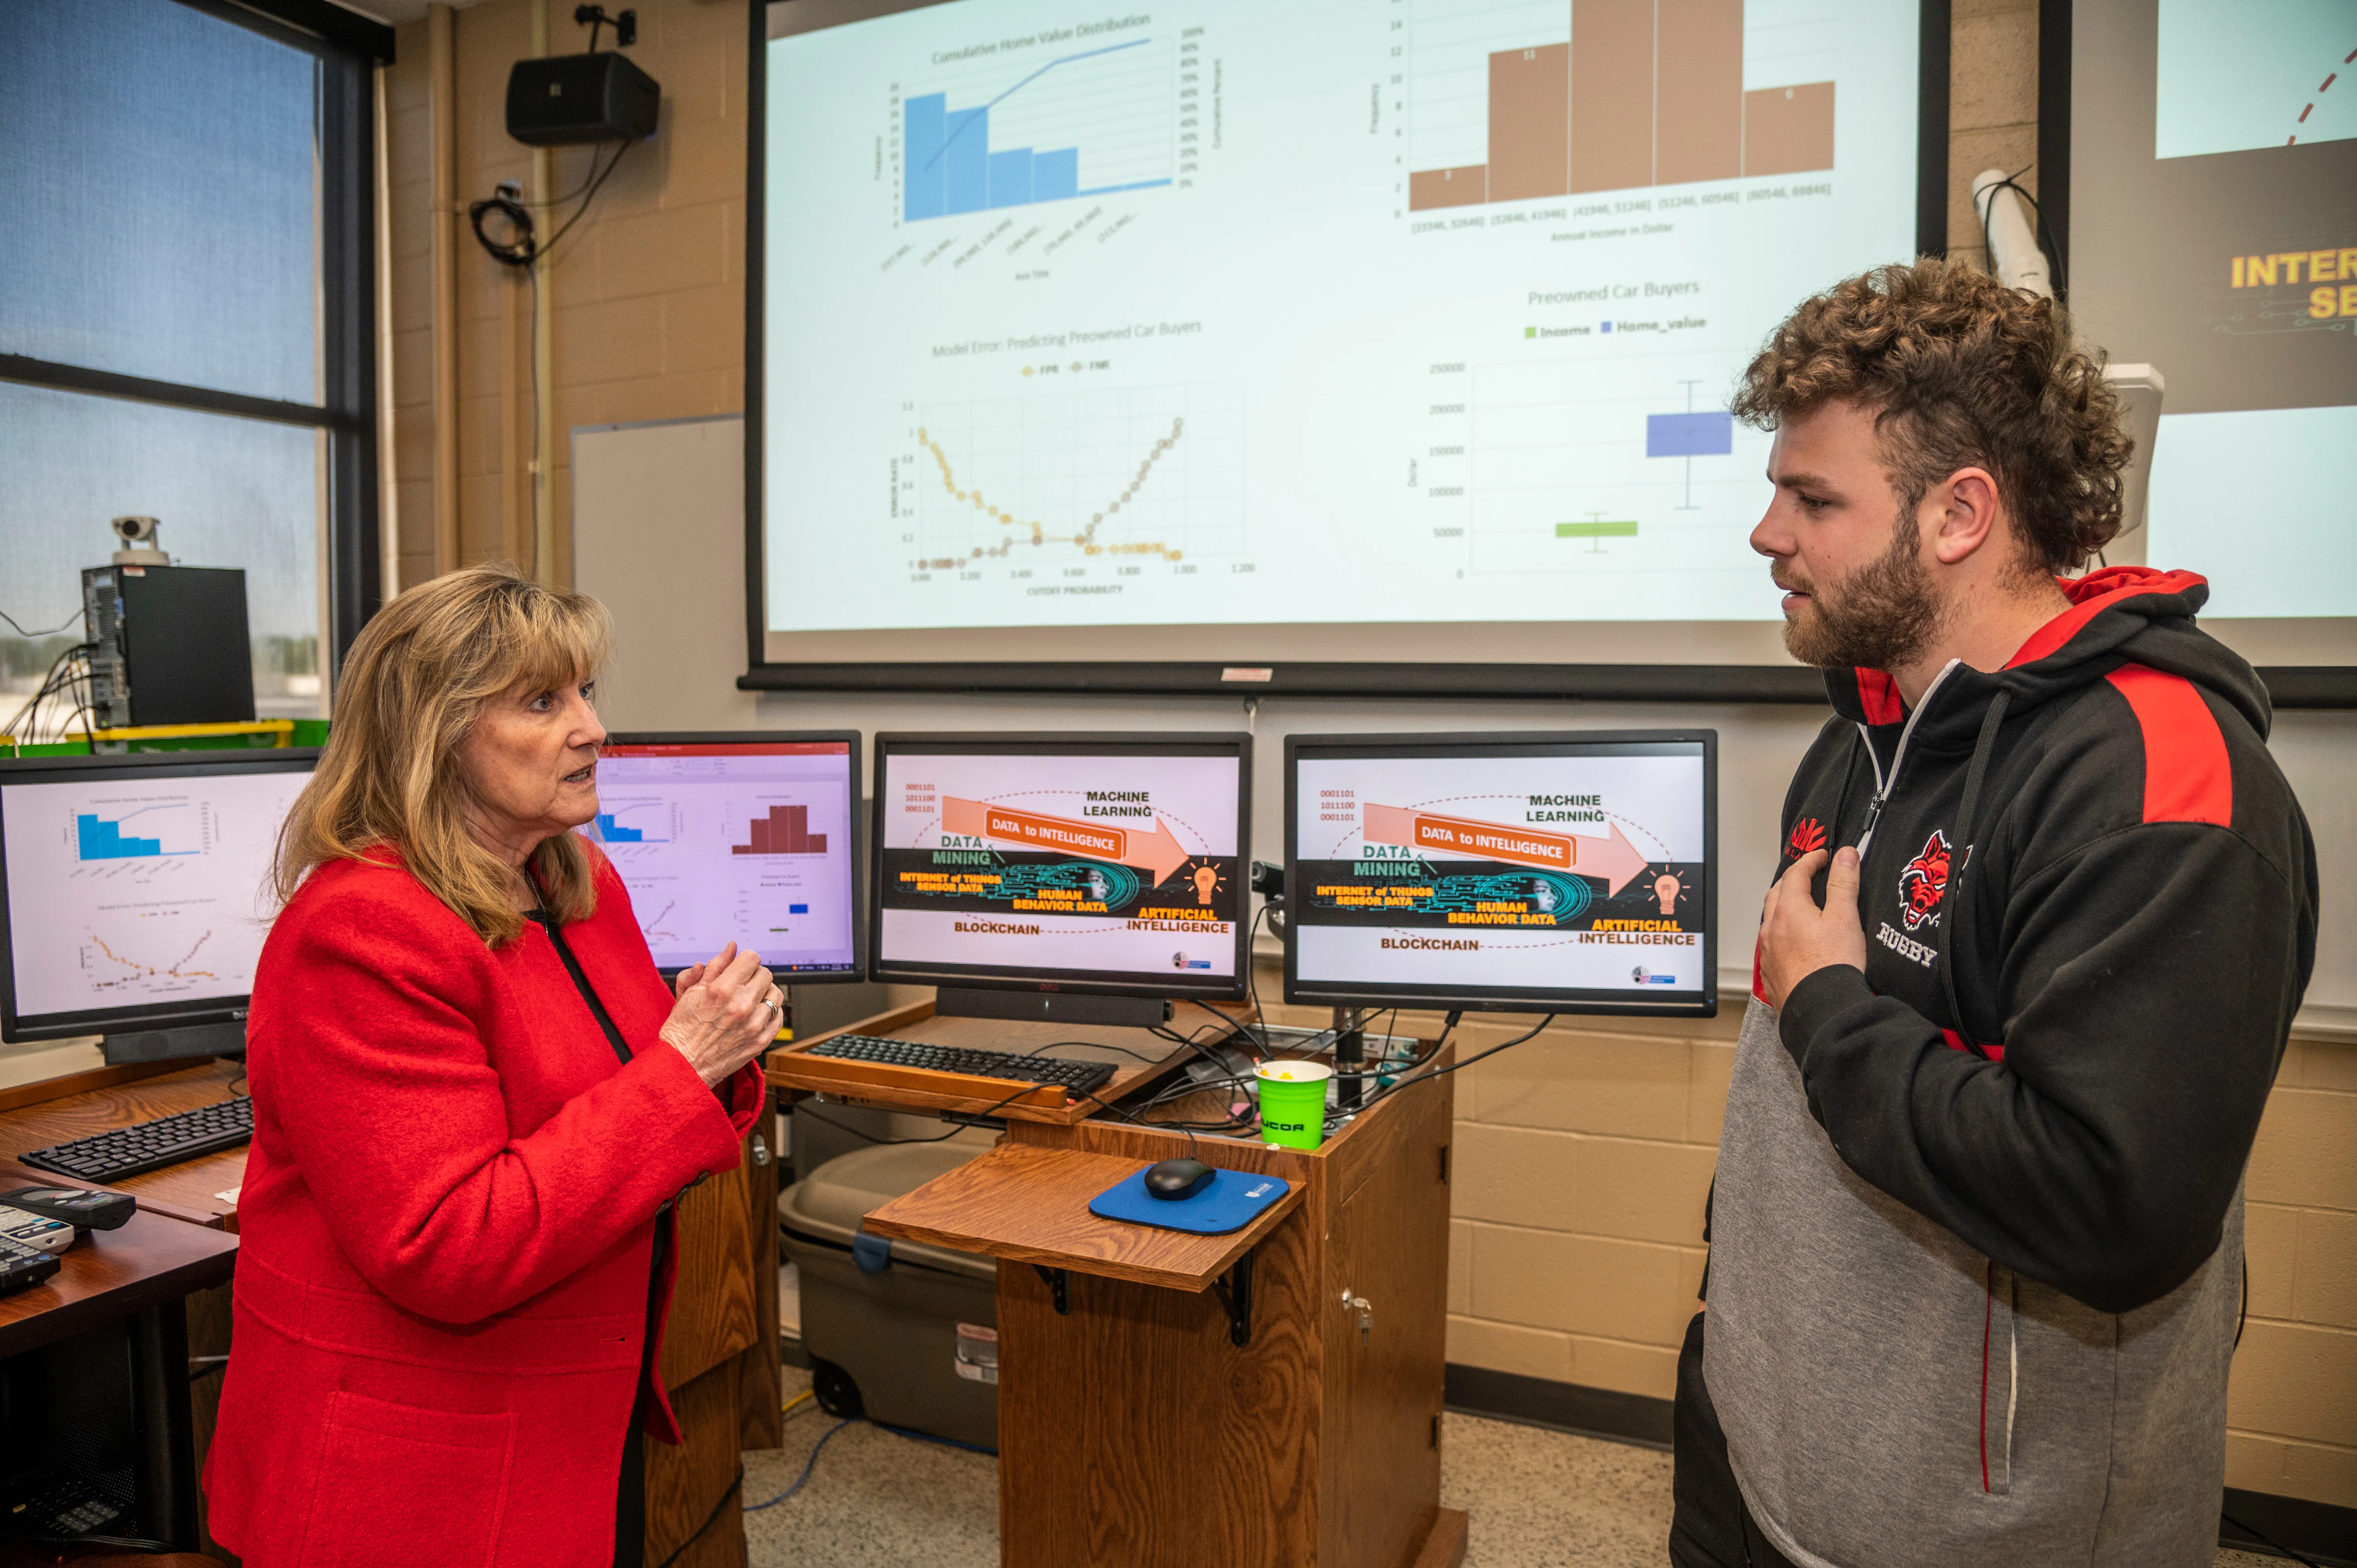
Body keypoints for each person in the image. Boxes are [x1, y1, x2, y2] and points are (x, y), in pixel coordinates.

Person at [1671, 260, 2318, 1568]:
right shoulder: (1862, 729)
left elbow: (2109, 1207)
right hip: (1758, 1450)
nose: (1766, 534)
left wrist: (1828, 1007)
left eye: (1812, 498)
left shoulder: (2158, 785)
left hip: (1979, 1529)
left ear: (1958, 512)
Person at [203, 565, 783, 1568]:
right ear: (436, 735)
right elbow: (451, 1243)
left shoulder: (574, 877)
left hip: (577, 1403)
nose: (594, 728)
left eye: (586, 691)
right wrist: (686, 1067)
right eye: (543, 702)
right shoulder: (361, 930)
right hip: (415, 1468)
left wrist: (709, 1052)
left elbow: (625, 1088)